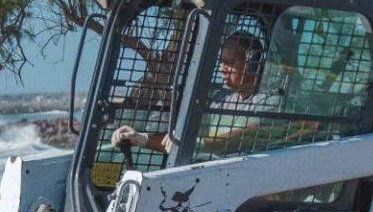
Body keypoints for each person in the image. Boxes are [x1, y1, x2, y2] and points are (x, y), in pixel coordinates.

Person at [110, 31, 277, 154]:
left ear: (252, 63)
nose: (222, 69)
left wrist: (192, 143)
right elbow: (185, 138)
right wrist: (142, 138)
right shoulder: (221, 98)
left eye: (229, 63)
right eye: (221, 62)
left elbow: (246, 135)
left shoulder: (269, 99)